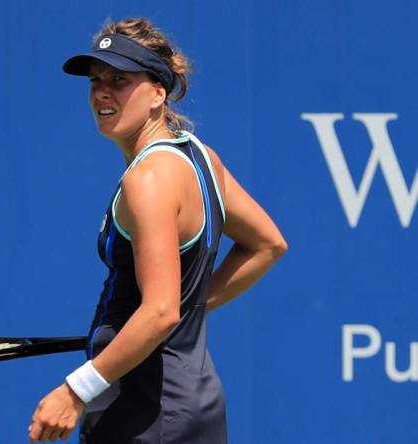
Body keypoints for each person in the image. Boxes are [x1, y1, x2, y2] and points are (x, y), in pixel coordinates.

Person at [28, 17, 288, 444]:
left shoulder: (147, 179)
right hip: (194, 404)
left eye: (120, 78)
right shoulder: (203, 159)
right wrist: (183, 311)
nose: (102, 91)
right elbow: (268, 244)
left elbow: (161, 311)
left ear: (158, 93)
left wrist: (76, 390)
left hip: (146, 413)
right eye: (96, 79)